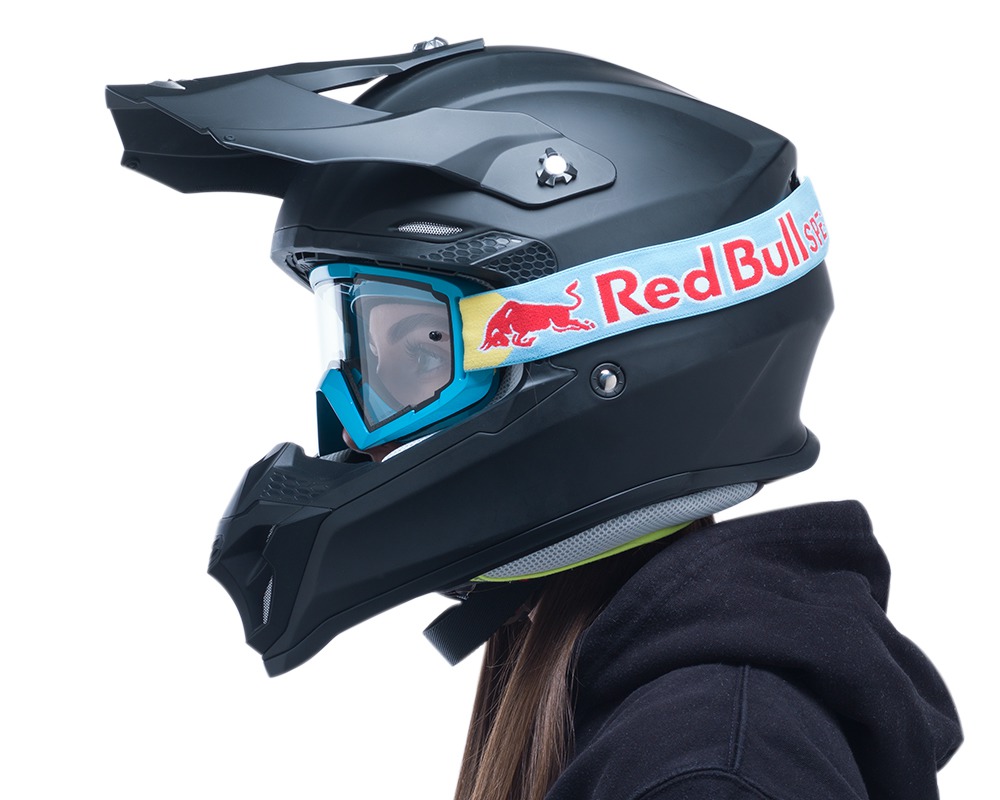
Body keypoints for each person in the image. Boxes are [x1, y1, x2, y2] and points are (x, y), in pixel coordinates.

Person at [107, 37, 962, 800]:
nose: (348, 422)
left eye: (417, 349)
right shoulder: (635, 700)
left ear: (598, 352)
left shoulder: (710, 766)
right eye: (361, 358)